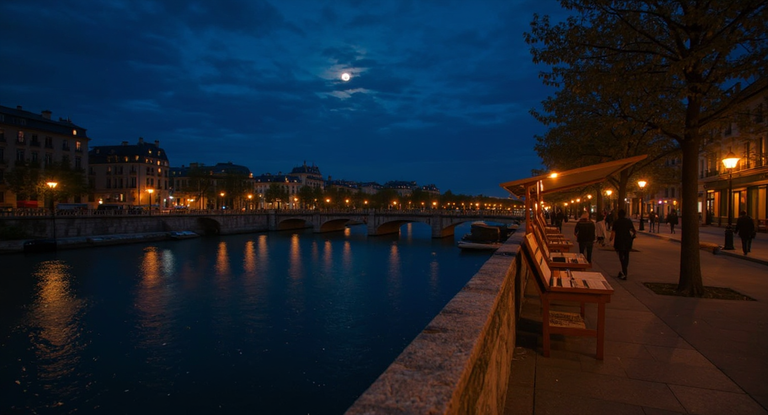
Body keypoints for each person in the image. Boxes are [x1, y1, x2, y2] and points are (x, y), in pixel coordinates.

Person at [609, 209, 636, 280]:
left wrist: (610, 239)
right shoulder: (628, 221)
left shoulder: (616, 222)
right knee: (626, 256)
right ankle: (624, 271)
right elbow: (633, 231)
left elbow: (613, 232)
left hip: (619, 241)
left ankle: (624, 272)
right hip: (627, 241)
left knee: (621, 256)